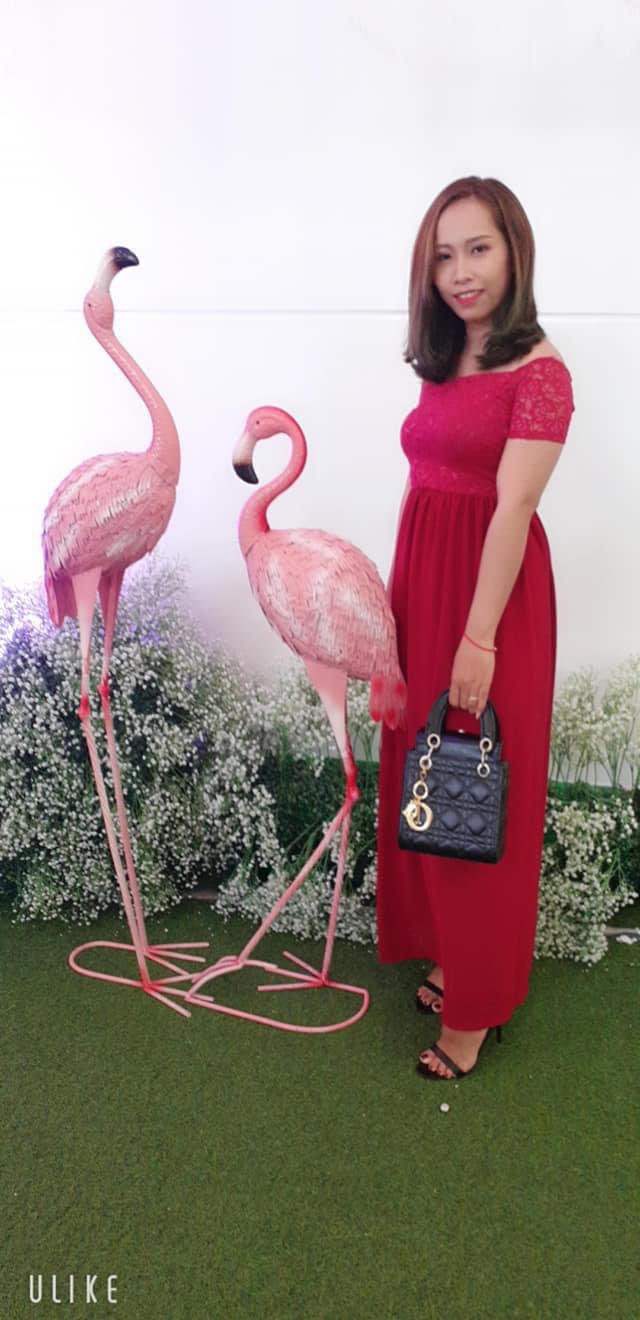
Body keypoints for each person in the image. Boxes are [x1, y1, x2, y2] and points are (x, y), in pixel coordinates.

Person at [375, 176, 575, 1081]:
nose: (460, 272)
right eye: (444, 255)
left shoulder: (542, 375)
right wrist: (391, 609)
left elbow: (514, 508)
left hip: (490, 602)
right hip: (424, 587)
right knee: (430, 777)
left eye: (479, 250)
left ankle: (478, 1011)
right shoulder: (447, 353)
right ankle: (452, 958)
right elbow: (422, 479)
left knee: (479, 783)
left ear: (513, 251)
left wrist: (478, 637)